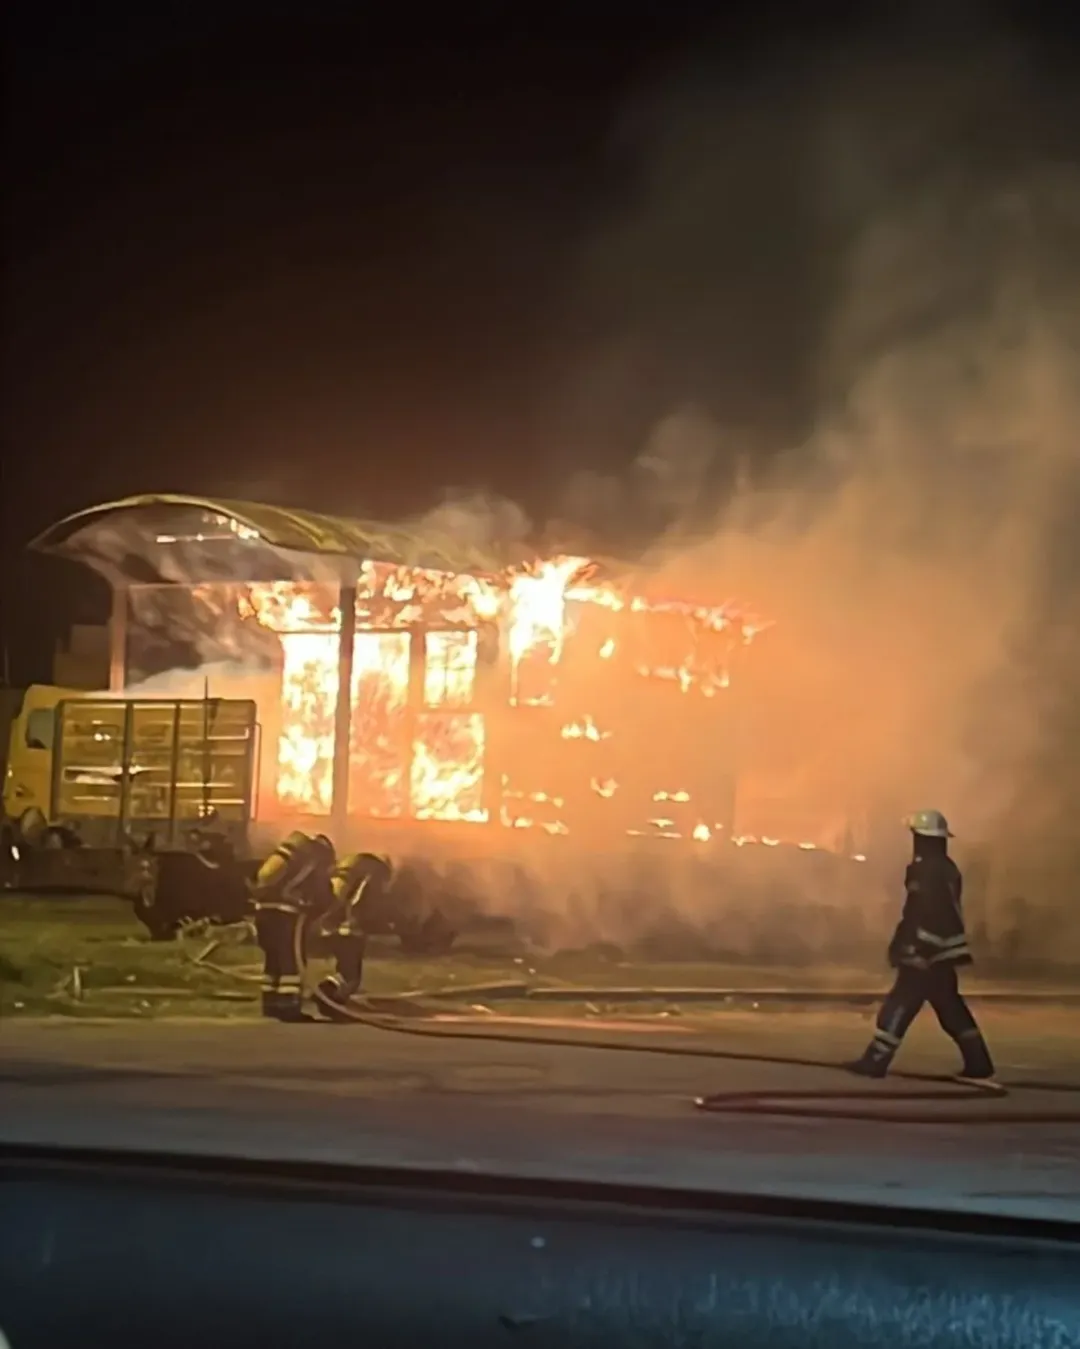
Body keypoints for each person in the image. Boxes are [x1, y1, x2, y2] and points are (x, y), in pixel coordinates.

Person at [846, 809, 998, 1086]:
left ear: (922, 839)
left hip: (925, 950)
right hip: (946, 949)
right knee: (950, 1007)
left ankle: (875, 1061)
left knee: (900, 1004)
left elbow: (919, 910)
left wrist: (906, 944)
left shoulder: (922, 868)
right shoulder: (948, 867)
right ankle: (979, 1061)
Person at [251, 830, 336, 1022]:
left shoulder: (294, 857)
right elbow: (324, 895)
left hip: (263, 912)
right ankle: (289, 1007)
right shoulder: (316, 861)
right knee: (291, 963)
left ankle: (270, 1004)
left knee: (272, 962)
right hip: (286, 916)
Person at [313, 851, 394, 1021]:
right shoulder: (373, 877)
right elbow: (360, 903)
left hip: (334, 929)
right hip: (349, 931)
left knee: (346, 972)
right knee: (351, 977)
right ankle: (326, 993)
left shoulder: (356, 872)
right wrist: (363, 922)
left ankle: (333, 1002)